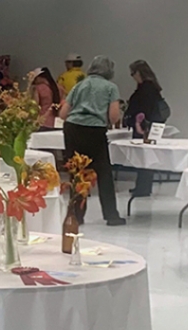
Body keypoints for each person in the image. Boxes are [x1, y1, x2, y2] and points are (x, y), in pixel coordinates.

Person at [59, 56, 125, 226]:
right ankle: (111, 216)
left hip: (72, 129)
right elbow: (113, 115)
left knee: (77, 172)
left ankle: (76, 215)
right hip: (94, 131)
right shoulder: (111, 87)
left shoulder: (80, 85)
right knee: (103, 172)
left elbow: (63, 114)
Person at [125, 60, 166, 198]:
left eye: (132, 73)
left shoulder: (145, 88)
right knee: (146, 156)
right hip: (149, 125)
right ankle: (143, 186)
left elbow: (142, 108)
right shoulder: (152, 87)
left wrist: (137, 122)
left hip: (143, 126)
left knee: (143, 156)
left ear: (138, 72)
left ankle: (142, 187)